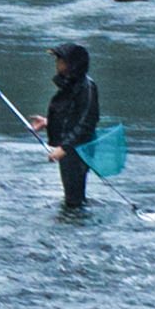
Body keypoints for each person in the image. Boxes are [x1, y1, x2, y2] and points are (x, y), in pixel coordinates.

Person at [32, 40, 101, 214]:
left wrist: (64, 148)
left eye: (60, 60)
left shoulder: (87, 87)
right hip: (71, 147)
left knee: (74, 199)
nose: (57, 64)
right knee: (72, 194)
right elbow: (70, 113)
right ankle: (72, 219)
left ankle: (74, 224)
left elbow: (87, 123)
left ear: (72, 64)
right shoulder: (72, 84)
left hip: (78, 149)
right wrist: (48, 122)